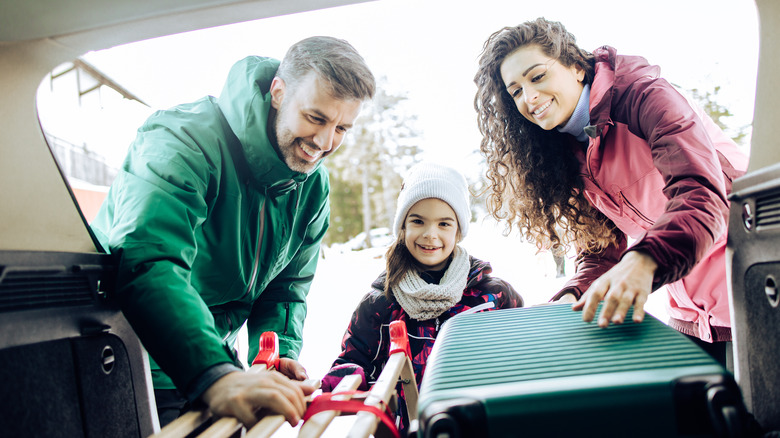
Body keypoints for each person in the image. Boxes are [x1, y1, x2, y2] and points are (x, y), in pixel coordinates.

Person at [90, 36, 375, 428]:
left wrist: (274, 356)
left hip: (212, 359)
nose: (325, 143)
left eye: (342, 127)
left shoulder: (312, 186)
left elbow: (286, 288)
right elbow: (149, 258)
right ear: (278, 92)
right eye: (316, 118)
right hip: (126, 356)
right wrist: (215, 373)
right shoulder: (182, 140)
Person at [473, 18, 748, 368]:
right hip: (693, 309)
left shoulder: (645, 97)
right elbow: (603, 245)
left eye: (537, 76)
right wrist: (572, 295)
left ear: (575, 66)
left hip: (755, 280)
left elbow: (702, 193)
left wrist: (644, 259)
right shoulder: (566, 151)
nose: (529, 97)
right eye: (515, 91)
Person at [321, 162, 523, 435]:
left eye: (444, 223)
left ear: (458, 231)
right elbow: (354, 360)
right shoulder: (380, 303)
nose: (431, 234)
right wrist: (347, 377)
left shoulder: (492, 296)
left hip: (484, 427)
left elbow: (522, 355)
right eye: (418, 221)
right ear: (403, 225)